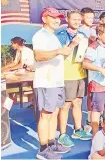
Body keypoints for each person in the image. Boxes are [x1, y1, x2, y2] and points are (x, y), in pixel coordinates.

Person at [33, 8, 72, 159]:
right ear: (44, 19)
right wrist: (58, 52)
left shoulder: (53, 36)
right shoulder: (40, 35)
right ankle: (43, 149)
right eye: (53, 17)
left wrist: (72, 45)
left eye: (59, 18)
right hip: (46, 82)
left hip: (56, 81)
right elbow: (38, 56)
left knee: (54, 112)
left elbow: (60, 53)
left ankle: (51, 143)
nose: (57, 20)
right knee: (46, 115)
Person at [56, 10, 92, 148]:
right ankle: (63, 134)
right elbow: (59, 55)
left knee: (77, 102)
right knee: (65, 106)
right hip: (67, 75)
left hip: (81, 73)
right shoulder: (61, 35)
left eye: (79, 19)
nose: (77, 22)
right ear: (67, 19)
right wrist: (72, 44)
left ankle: (78, 130)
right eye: (74, 19)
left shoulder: (83, 35)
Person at [82, 24, 105, 136]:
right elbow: (85, 64)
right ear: (99, 35)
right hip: (98, 84)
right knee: (96, 110)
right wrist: (100, 69)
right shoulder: (93, 47)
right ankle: (96, 135)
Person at [79, 7, 97, 129]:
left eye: (92, 17)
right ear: (82, 17)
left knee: (93, 93)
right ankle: (86, 121)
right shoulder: (78, 31)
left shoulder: (94, 31)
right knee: (81, 96)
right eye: (88, 17)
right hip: (80, 66)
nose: (91, 20)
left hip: (94, 67)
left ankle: (93, 119)